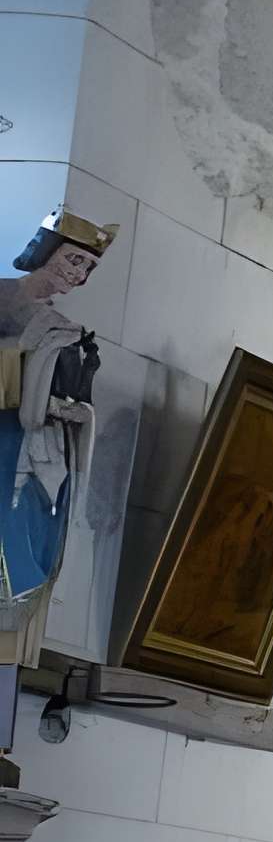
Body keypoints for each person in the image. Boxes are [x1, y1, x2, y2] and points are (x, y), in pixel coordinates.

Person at [0, 211, 115, 667]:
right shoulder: (4, 296)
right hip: (6, 440)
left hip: (31, 448)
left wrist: (71, 411)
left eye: (86, 267)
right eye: (71, 259)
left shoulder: (64, 328)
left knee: (30, 533)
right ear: (44, 251)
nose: (76, 272)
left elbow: (59, 403)